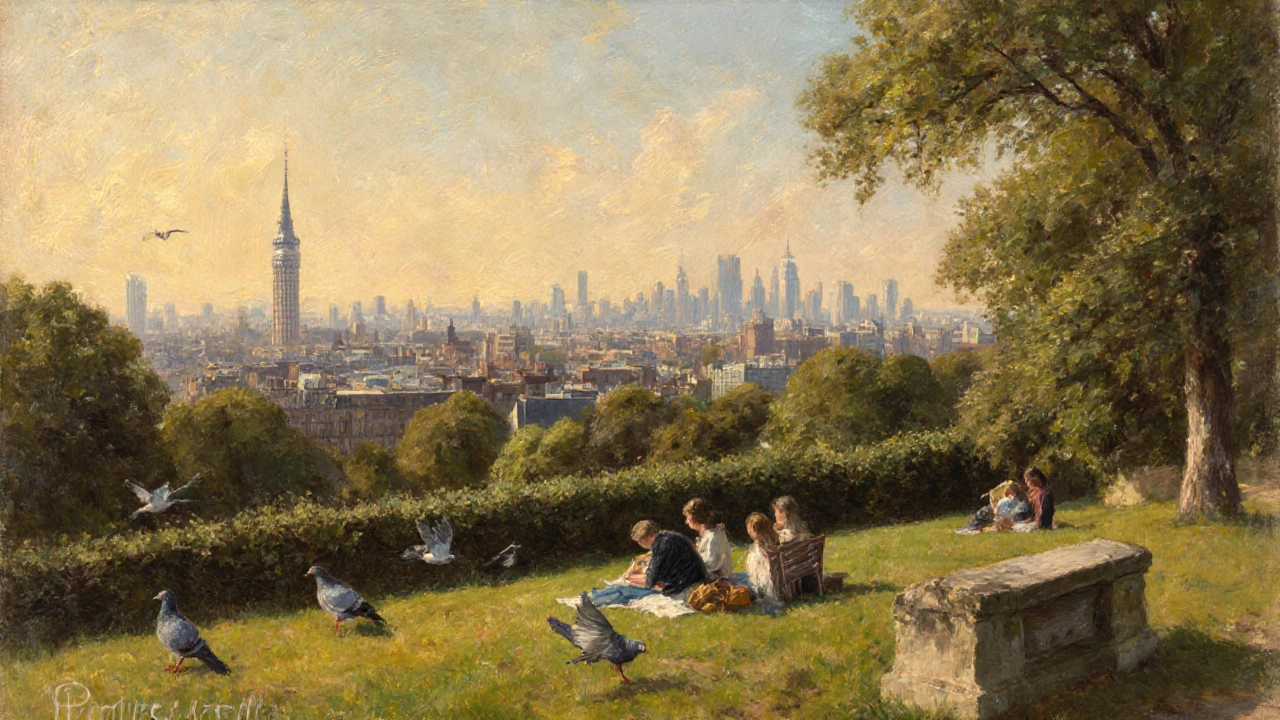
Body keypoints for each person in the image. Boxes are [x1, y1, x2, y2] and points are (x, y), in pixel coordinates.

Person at [628, 519, 709, 597]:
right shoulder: (668, 537)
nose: (640, 544)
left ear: (650, 536)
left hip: (686, 584)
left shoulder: (663, 545)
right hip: (693, 577)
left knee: (631, 591)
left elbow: (652, 577)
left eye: (641, 541)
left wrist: (643, 580)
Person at [684, 498, 732, 580]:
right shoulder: (706, 534)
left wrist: (692, 562)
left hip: (719, 580)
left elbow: (712, 564)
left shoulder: (715, 535)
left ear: (693, 518)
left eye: (688, 516)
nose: (687, 520)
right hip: (709, 577)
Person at [744, 512, 780, 601]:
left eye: (750, 527)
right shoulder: (772, 537)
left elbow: (762, 565)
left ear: (756, 529)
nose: (748, 530)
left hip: (767, 582)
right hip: (775, 577)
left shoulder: (762, 543)